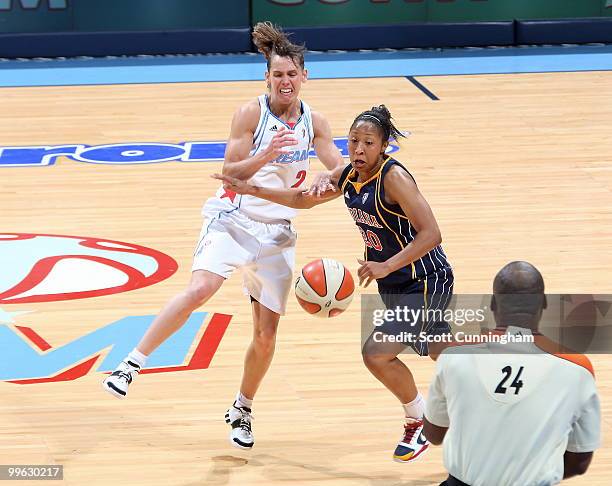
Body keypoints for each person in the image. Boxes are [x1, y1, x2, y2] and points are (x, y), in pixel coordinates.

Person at [102, 22, 344, 451]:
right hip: (233, 218)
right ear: (266, 78)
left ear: (306, 77)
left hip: (278, 233)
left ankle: (242, 408)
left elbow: (338, 167)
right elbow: (230, 173)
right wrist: (266, 154)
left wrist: (335, 175)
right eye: (277, 75)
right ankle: (130, 364)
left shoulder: (316, 122)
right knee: (202, 287)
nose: (285, 81)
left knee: (266, 335)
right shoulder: (250, 114)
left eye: (292, 74)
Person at [214, 105, 454, 463]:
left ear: (384, 146)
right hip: (394, 280)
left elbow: (432, 233)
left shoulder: (393, 179)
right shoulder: (348, 175)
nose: (358, 150)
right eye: (353, 141)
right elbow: (301, 200)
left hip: (424, 278)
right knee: (441, 351)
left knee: (377, 353)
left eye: (368, 143)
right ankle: (503, 377)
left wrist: (387, 265)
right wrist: (250, 189)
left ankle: (419, 419)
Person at [423, 261, 600, 486]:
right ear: (543, 304)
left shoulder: (453, 356)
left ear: (493, 304)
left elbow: (434, 435)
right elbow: (579, 462)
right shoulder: (578, 368)